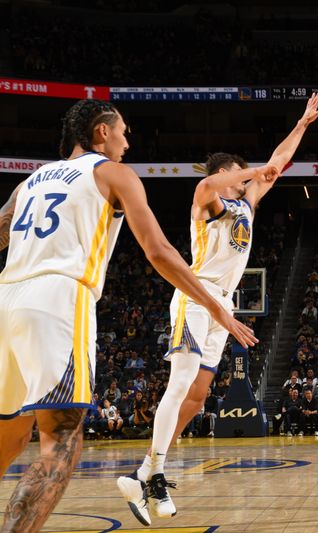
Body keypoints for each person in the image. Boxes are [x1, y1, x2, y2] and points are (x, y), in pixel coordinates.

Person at [0, 99, 255, 533]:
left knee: (11, 434)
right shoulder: (113, 173)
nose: (127, 141)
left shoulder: (30, 182)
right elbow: (158, 251)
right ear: (101, 132)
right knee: (60, 442)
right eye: (123, 131)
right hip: (59, 298)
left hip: (6, 296)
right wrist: (215, 307)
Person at [118, 92, 318, 524]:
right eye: (240, 171)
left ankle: (142, 473)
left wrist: (302, 124)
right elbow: (204, 185)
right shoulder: (209, 202)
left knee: (197, 396)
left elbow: (277, 161)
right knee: (179, 385)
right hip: (197, 298)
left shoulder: (244, 204)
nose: (249, 178)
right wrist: (255, 170)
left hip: (224, 305)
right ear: (228, 172)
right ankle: (154, 472)